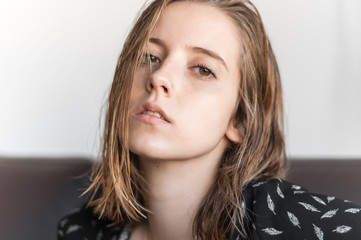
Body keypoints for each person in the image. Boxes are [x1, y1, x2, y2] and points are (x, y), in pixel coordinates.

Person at [57, 0, 361, 239]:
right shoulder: (82, 231)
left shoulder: (285, 221)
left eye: (203, 69)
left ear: (240, 119)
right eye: (149, 56)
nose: (159, 77)